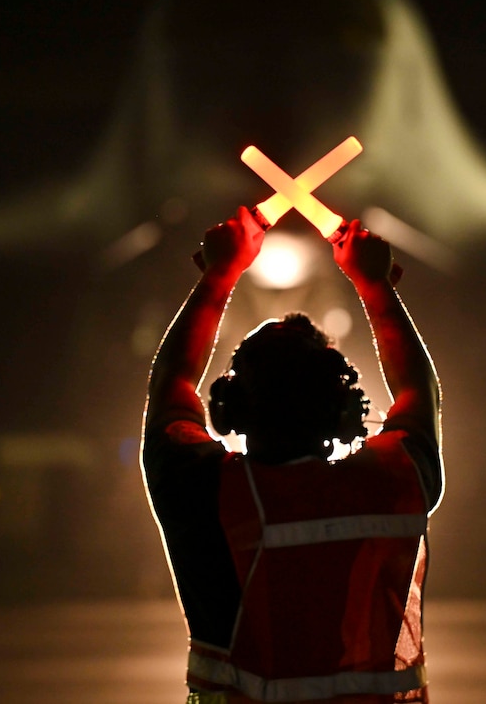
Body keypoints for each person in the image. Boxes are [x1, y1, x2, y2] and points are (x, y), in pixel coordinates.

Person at [142, 206, 443, 703]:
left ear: (229, 406)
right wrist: (375, 285)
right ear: (346, 408)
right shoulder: (387, 486)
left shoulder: (206, 494)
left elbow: (170, 383)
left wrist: (221, 273)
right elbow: (418, 391)